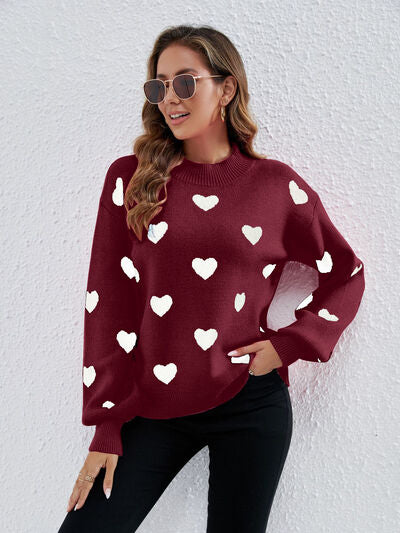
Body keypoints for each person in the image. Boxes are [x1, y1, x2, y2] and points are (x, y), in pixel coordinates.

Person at [57, 24, 365, 533]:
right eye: (158, 86)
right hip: (150, 407)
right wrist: (107, 423)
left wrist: (288, 345)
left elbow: (346, 272)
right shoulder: (130, 179)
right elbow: (108, 303)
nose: (169, 98)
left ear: (226, 89)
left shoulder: (276, 187)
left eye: (185, 82)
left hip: (250, 402)